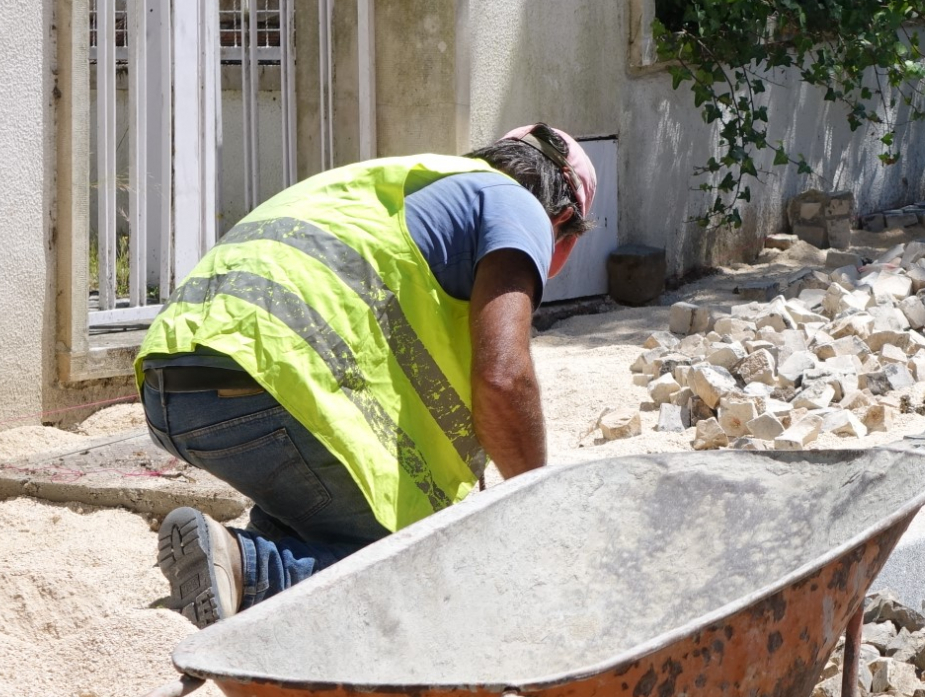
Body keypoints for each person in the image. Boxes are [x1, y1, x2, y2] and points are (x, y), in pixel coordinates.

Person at [138, 124, 596, 626]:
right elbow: (504, 380)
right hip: (267, 388)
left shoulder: (403, 186)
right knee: (425, 567)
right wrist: (535, 500)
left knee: (335, 518)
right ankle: (254, 569)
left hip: (176, 386)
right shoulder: (521, 209)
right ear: (566, 222)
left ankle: (237, 552)